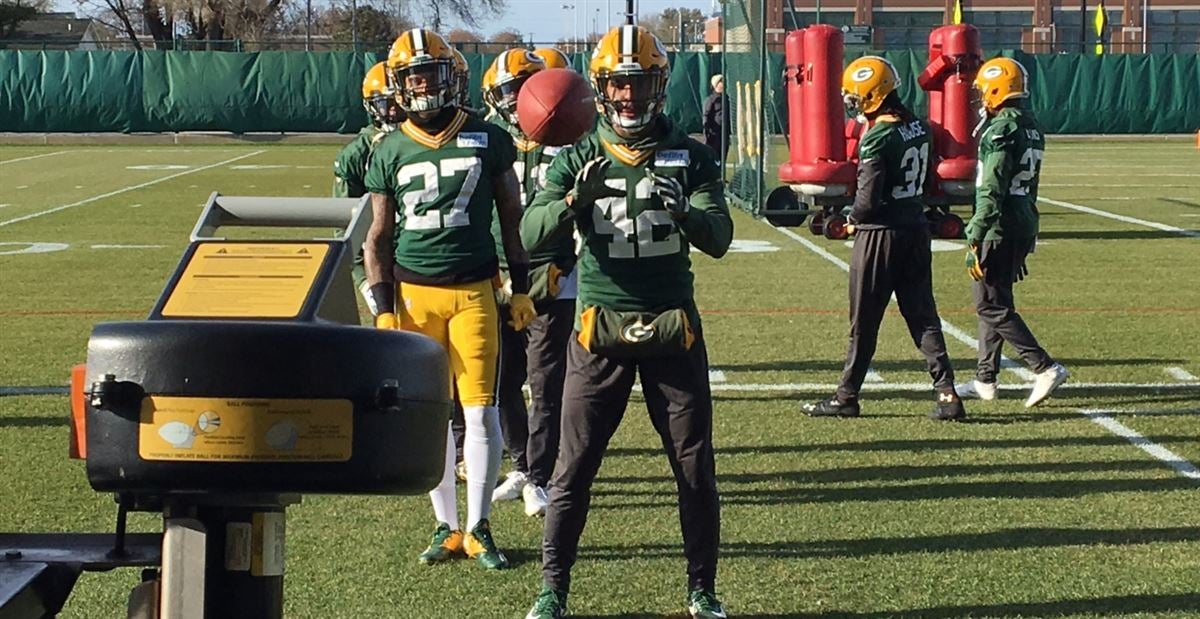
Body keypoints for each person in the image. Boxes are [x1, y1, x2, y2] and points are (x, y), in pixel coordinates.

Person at [520, 25, 732, 619]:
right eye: (619, 86)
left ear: (658, 85)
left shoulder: (690, 154)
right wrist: (570, 205)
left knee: (694, 467)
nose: (630, 99)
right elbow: (530, 237)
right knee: (574, 468)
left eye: (640, 85)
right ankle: (553, 590)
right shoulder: (579, 156)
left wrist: (686, 211)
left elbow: (719, 238)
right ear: (601, 89)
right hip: (600, 327)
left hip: (672, 326)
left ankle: (702, 589)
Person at [363, 27, 536, 571]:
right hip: (414, 297)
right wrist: (385, 305)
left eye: (428, 74)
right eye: (411, 75)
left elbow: (513, 219)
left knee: (480, 413)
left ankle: (479, 524)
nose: (420, 84)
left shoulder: (486, 136)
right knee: (436, 416)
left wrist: (522, 288)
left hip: (475, 293)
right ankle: (446, 524)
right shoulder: (389, 146)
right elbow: (377, 237)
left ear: (450, 79)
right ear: (398, 82)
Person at [803, 56, 966, 422]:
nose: (852, 104)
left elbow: (867, 199)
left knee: (864, 321)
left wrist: (849, 221)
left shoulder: (878, 135)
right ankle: (947, 393)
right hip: (915, 228)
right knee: (923, 316)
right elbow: (923, 182)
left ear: (872, 97)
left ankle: (846, 397)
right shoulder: (919, 127)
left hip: (881, 237)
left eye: (856, 98)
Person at [480, 49, 578, 519]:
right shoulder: (489, 142)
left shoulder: (570, 139)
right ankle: (522, 465)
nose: (520, 99)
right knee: (502, 379)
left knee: (546, 382)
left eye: (527, 88)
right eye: (510, 91)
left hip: (553, 277)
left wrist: (568, 259)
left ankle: (540, 475)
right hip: (499, 275)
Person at [960, 56, 1069, 407]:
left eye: (983, 90)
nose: (980, 98)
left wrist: (976, 231)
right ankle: (985, 378)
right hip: (1023, 221)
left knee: (989, 304)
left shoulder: (1002, 129)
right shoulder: (1031, 125)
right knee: (997, 300)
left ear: (997, 88)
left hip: (1000, 225)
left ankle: (1044, 366)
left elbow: (992, 187)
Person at [332, 61, 403, 312]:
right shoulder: (357, 153)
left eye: (397, 102)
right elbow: (344, 226)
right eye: (386, 104)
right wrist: (363, 279)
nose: (393, 112)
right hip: (380, 258)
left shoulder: (419, 142)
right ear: (372, 106)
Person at [701, 74, 730, 163]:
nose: (723, 84)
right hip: (714, 134)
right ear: (715, 85)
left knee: (723, 156)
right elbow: (706, 115)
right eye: (720, 82)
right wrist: (708, 131)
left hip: (724, 133)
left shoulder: (727, 99)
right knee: (713, 156)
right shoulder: (711, 100)